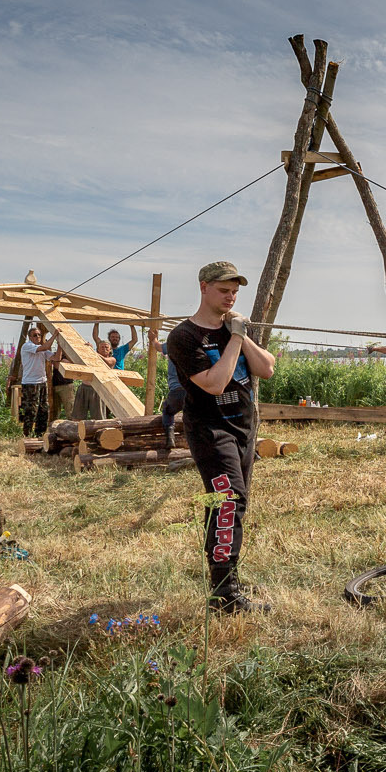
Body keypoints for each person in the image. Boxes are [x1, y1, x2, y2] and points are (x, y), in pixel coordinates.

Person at [166, 261, 277, 614]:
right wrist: (237, 338)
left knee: (228, 504)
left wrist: (239, 334)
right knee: (229, 500)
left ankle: (225, 581)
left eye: (234, 292)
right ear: (203, 287)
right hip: (210, 430)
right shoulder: (184, 337)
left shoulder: (233, 330)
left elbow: (267, 368)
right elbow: (213, 383)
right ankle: (225, 595)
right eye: (223, 290)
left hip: (243, 427)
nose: (230, 297)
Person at [15, 322, 58, 436]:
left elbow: (56, 357)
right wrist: (55, 335)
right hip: (30, 383)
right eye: (35, 335)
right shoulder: (27, 346)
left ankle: (40, 434)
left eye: (39, 335)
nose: (38, 337)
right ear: (30, 337)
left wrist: (60, 344)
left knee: (44, 409)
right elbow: (46, 346)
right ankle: (27, 434)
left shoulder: (42, 349)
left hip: (42, 382)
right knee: (31, 410)